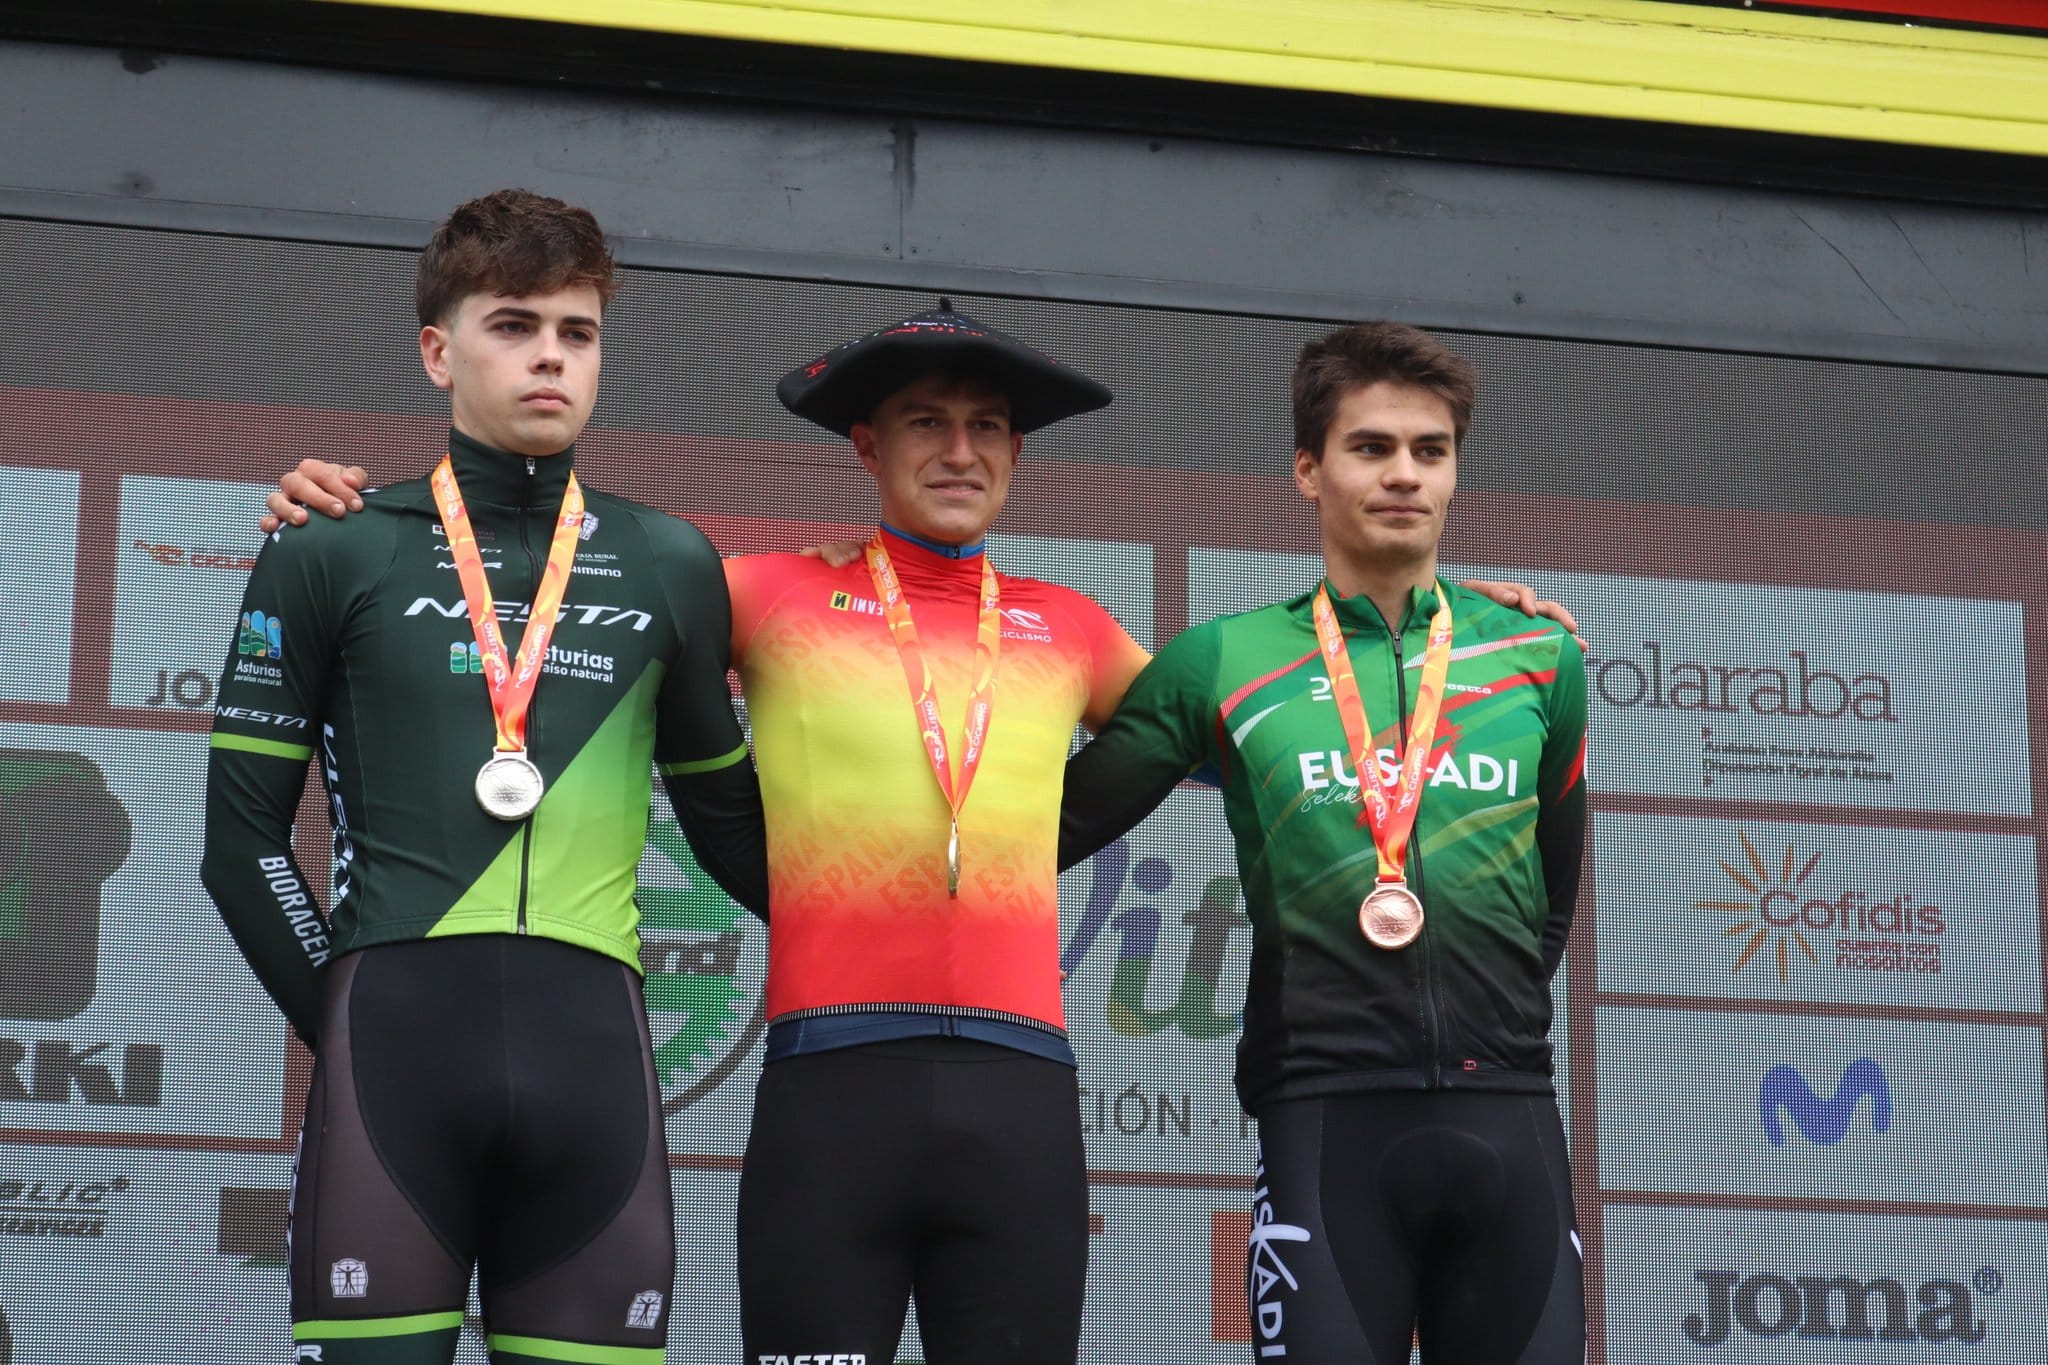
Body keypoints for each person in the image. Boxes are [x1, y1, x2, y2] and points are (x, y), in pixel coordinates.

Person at [263, 306, 1579, 1363]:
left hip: (1021, 1095)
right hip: (833, 1084)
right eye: (927, 423)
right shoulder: (756, 594)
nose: (961, 448)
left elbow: (1302, 711)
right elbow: (543, 596)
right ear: (867, 447)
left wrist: (1476, 615)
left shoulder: (1076, 629)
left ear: (1015, 452)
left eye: (990, 426)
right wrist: (338, 503)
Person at [202, 188, 767, 1365]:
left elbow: (737, 837)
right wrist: (353, 1025)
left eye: (578, 331)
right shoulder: (330, 543)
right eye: (513, 325)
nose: (550, 357)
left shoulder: (670, 562)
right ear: (436, 350)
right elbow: (242, 842)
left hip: (596, 1071)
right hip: (391, 1067)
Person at [1057, 321, 1589, 1364]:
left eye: (1428, 452)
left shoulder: (1537, 656)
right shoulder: (1225, 660)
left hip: (1508, 1117)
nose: (1403, 475)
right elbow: (1047, 829)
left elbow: (1551, 895)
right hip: (1325, 1121)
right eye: (1370, 447)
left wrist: (1490, 1020)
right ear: (1308, 469)